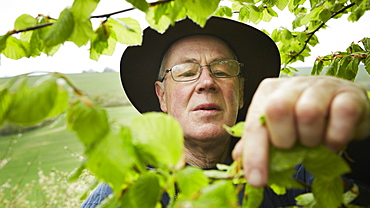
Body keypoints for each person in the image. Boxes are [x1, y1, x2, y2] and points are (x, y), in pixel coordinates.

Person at [81, 17, 370, 207]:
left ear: (241, 94)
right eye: (185, 72)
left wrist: (359, 136)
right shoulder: (123, 192)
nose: (207, 82)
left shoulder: (288, 171)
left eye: (223, 70)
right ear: (162, 96)